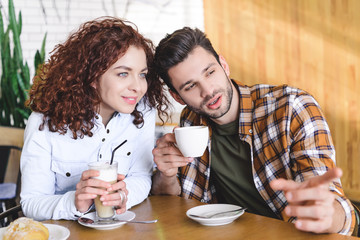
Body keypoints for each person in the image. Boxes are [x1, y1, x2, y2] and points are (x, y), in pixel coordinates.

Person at [151, 27, 356, 235]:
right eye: (190, 86)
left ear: (224, 65)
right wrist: (166, 174)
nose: (208, 90)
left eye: (210, 72)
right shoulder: (190, 121)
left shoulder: (292, 108)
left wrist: (330, 213)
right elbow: (181, 205)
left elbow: (331, 202)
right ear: (177, 97)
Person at [20, 17, 169, 221]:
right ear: (92, 77)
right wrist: (75, 202)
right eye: (123, 74)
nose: (138, 87)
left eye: (142, 74)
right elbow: (31, 203)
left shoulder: (143, 111)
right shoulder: (43, 122)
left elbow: (141, 177)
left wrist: (124, 195)